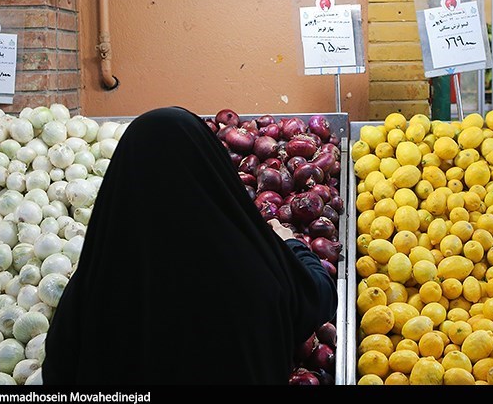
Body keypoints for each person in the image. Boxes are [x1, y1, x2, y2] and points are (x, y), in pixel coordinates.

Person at [42, 107, 338, 385]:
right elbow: (319, 297)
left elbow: (58, 371)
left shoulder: (97, 279)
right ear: (212, 168)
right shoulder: (253, 267)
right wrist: (292, 246)